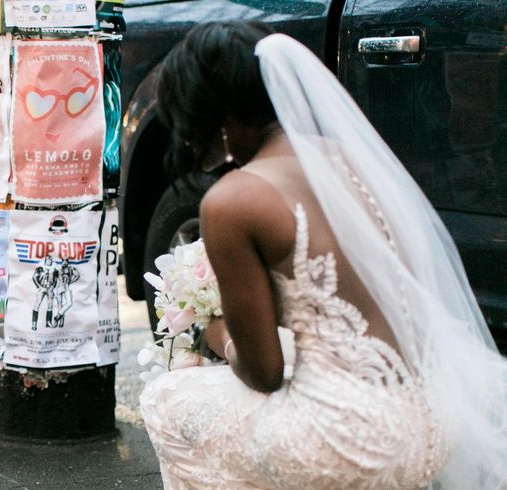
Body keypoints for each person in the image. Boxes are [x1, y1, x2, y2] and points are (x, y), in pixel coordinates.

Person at [140, 21, 507, 489]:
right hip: (439, 419)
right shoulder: (352, 158)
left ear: (219, 115)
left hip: (349, 439)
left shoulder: (231, 201)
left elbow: (264, 374)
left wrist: (217, 331)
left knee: (168, 399)